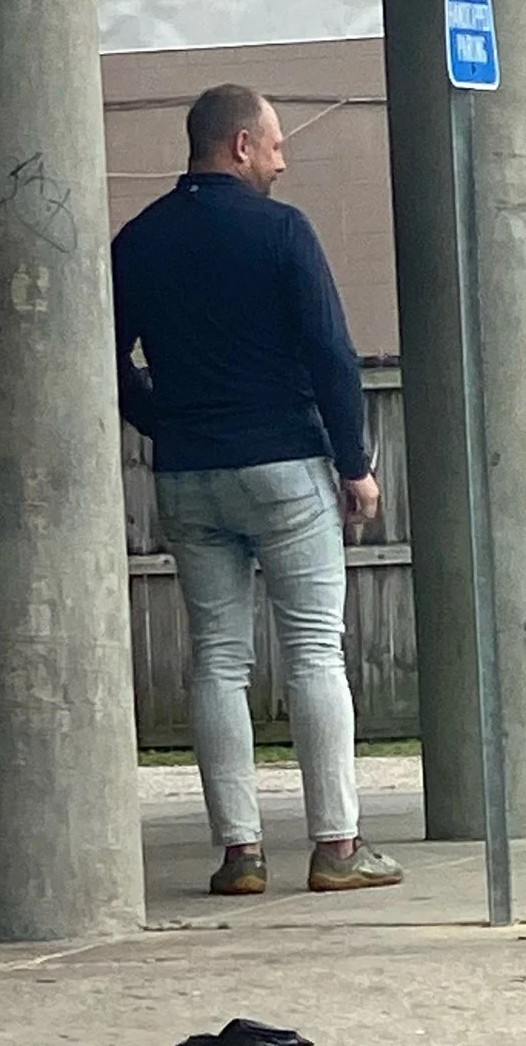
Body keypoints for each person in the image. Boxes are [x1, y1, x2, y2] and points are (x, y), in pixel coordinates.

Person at [111, 84, 401, 896]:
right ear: (239, 145)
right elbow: (331, 353)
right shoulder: (282, 230)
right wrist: (355, 463)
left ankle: (240, 853)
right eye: (274, 145)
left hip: (189, 472)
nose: (283, 158)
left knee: (218, 662)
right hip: (283, 466)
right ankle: (337, 846)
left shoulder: (139, 240)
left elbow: (104, 355)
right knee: (313, 650)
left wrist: (164, 419)